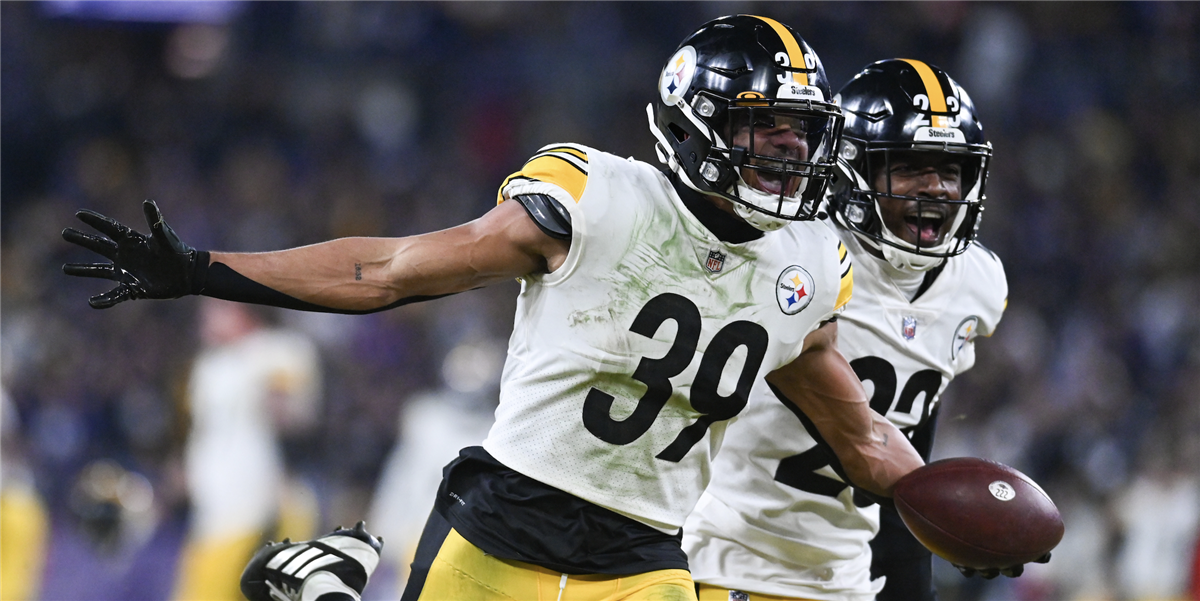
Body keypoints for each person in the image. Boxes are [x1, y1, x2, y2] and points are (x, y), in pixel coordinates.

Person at [61, 16, 924, 601]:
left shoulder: (811, 265)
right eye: (765, 127)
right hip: (508, 514)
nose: (790, 151)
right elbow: (389, 269)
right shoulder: (597, 197)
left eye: (803, 133)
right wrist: (206, 270)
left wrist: (954, 507)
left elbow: (858, 437)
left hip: (650, 549)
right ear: (695, 122)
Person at [682, 59, 1039, 601]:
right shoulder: (794, 254)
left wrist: (929, 539)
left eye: (951, 171)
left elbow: (911, 429)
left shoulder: (979, 284)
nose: (938, 188)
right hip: (724, 558)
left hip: (846, 576)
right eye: (912, 167)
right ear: (852, 169)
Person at [173, 298, 324, 601]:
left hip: (262, 504)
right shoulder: (209, 365)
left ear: (242, 310)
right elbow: (205, 436)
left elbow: (297, 420)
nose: (205, 319)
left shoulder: (276, 349)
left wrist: (275, 398)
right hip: (215, 508)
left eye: (215, 309)